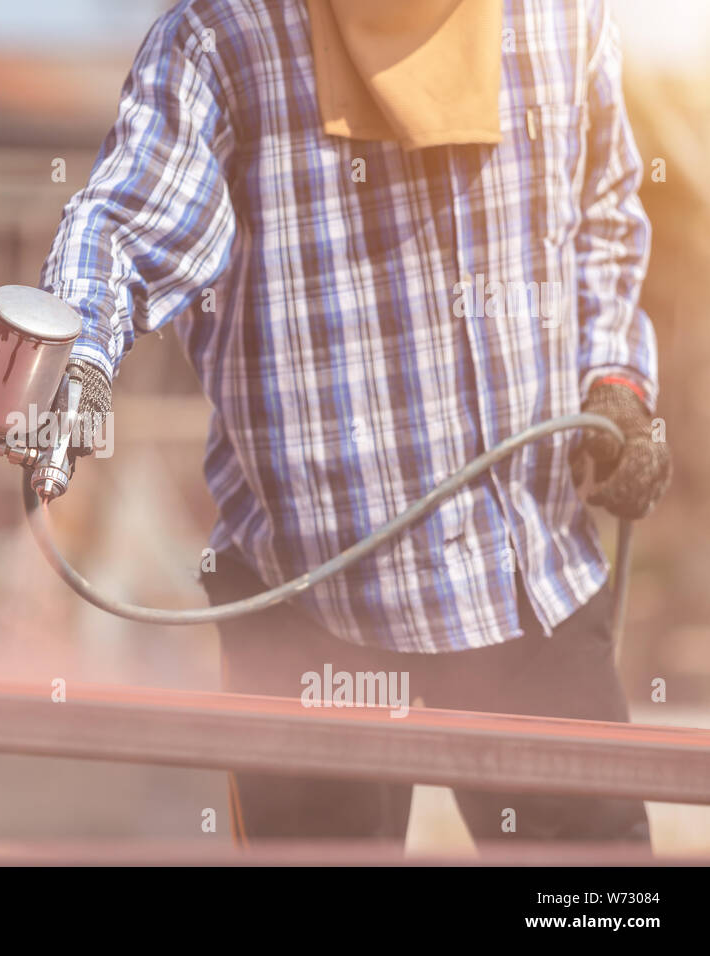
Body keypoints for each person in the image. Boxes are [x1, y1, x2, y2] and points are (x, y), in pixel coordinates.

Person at [39, 0, 671, 846]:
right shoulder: (229, 34)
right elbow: (127, 224)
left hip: (532, 587)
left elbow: (605, 218)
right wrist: (75, 354)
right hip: (309, 606)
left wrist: (617, 382)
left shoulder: (563, 18)